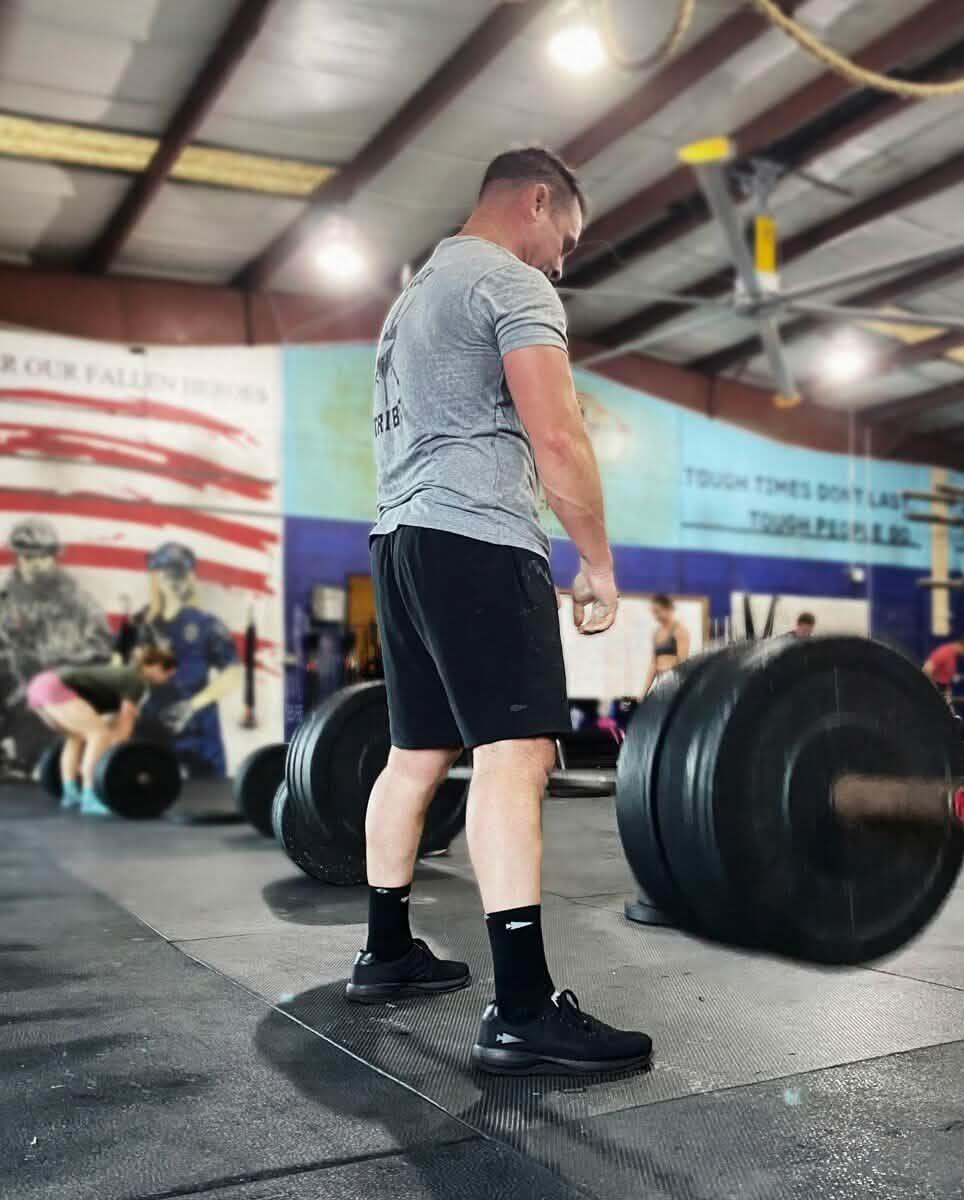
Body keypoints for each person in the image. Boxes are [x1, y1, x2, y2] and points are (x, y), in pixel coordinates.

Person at [350, 146, 651, 1077]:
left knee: (412, 758)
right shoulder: (508, 285)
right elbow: (558, 433)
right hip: (477, 539)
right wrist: (597, 562)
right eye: (565, 235)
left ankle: (386, 951)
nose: (561, 259)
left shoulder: (412, 301)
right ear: (537, 201)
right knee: (513, 758)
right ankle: (522, 1007)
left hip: (398, 542)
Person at [25, 646, 178, 815]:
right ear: (155, 667)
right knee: (98, 734)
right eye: (167, 674)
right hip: (54, 686)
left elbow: (116, 719)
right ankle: (90, 797)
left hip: (38, 687)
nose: (167, 680)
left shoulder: (124, 675)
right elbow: (126, 722)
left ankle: (70, 794)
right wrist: (115, 758)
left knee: (76, 736)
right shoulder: (137, 681)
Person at [136, 543, 241, 777]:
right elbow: (125, 669)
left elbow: (233, 672)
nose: (173, 580)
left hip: (199, 729)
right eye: (165, 572)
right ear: (155, 576)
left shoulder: (206, 624)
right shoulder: (143, 624)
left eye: (179, 573)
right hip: (153, 725)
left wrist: (192, 706)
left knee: (208, 796)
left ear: (190, 577)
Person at [0, 518, 113, 682]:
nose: (36, 564)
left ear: (54, 558)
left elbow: (103, 648)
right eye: (28, 558)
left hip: (67, 686)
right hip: (15, 690)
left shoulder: (78, 601)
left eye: (43, 557)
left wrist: (63, 660)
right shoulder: (1, 602)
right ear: (17, 559)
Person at [641, 594, 690, 697]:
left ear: (668, 609)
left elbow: (682, 662)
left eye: (658, 612)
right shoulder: (656, 633)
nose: (656, 616)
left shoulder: (679, 631)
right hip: (660, 681)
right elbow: (654, 663)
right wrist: (644, 692)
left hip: (673, 682)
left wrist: (677, 687)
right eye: (654, 613)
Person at [923, 635, 964, 703]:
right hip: (935, 689)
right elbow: (927, 669)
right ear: (963, 647)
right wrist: (933, 689)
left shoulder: (952, 655)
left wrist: (946, 691)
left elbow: (945, 676)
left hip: (941, 689)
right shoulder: (945, 652)